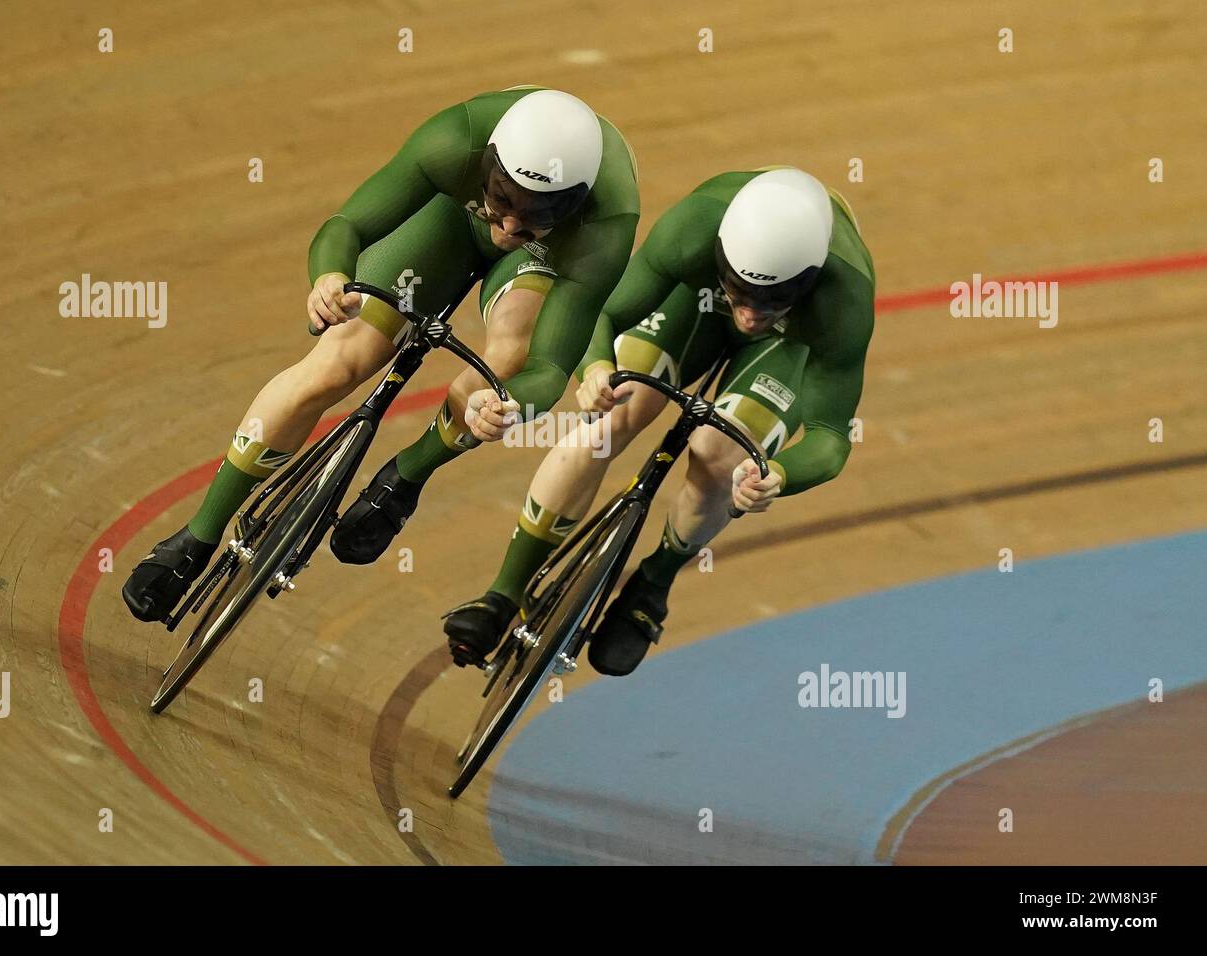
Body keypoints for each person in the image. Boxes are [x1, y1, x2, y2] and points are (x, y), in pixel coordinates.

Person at [122, 87, 640, 623]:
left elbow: (549, 370)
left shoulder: (606, 225)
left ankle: (407, 476)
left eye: (535, 215)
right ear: (487, 162)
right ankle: (198, 536)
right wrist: (329, 277)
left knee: (506, 356)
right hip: (447, 218)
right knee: (336, 366)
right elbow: (348, 226)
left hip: (541, 261)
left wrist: (507, 405)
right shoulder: (453, 141)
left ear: (576, 204)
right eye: (503, 202)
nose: (509, 227)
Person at [443, 167, 875, 676]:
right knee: (612, 417)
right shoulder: (694, 227)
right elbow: (598, 313)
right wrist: (597, 366)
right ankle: (504, 594)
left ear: (809, 281)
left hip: (789, 345)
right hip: (695, 299)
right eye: (742, 292)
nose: (753, 315)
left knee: (723, 460)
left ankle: (654, 581)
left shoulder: (844, 300)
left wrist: (778, 475)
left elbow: (830, 437)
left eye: (772, 300)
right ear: (723, 254)